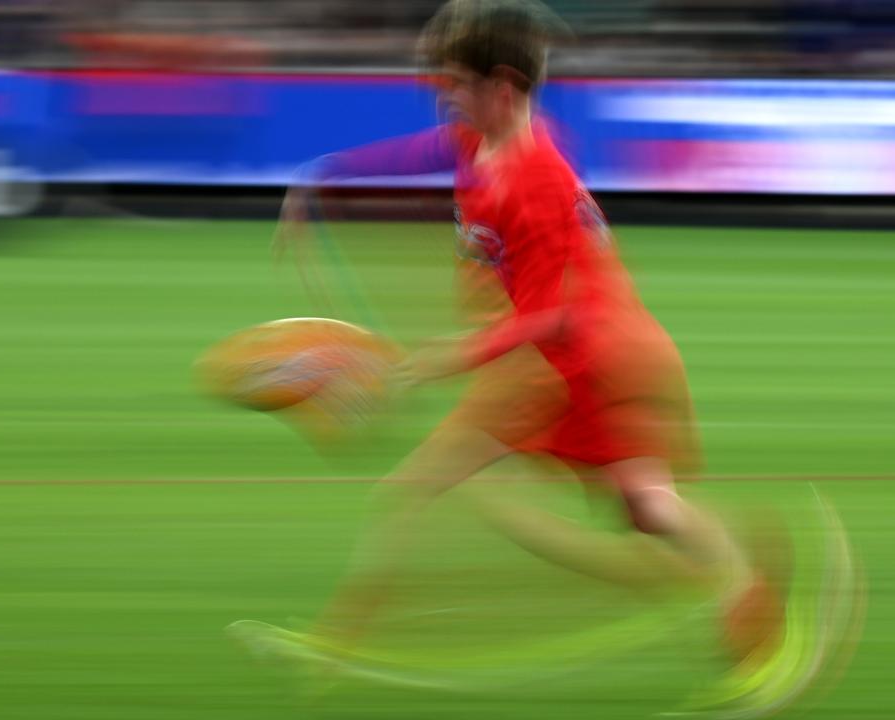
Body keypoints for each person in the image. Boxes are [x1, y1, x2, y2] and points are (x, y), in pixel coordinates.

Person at [259, 0, 787, 667]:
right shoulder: (488, 141)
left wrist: (454, 356)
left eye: (454, 82)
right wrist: (323, 175)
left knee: (422, 489)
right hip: (573, 356)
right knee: (648, 507)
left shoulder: (532, 182)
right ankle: (745, 581)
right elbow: (423, 150)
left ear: (501, 87)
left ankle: (337, 645)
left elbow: (553, 314)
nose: (441, 95)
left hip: (586, 364)